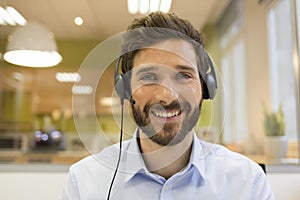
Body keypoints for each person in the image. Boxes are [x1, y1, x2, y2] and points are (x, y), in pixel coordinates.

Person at [59, 12, 274, 200]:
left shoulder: (248, 183)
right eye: (149, 76)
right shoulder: (84, 182)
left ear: (206, 87)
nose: (167, 95)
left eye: (183, 75)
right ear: (125, 89)